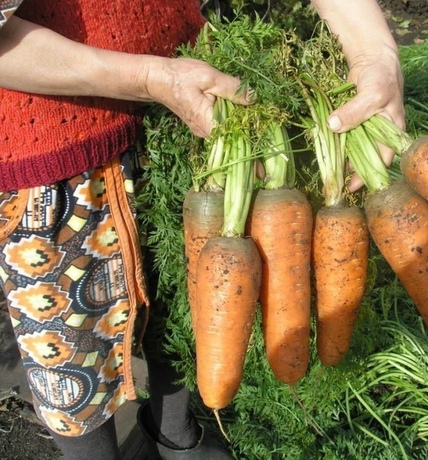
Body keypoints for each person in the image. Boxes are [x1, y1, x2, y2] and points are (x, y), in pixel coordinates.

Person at [0, 1, 405, 459]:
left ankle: (173, 432)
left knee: (186, 304)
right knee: (70, 350)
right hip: (51, 159)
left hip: (183, 110)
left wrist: (376, 53)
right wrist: (150, 78)